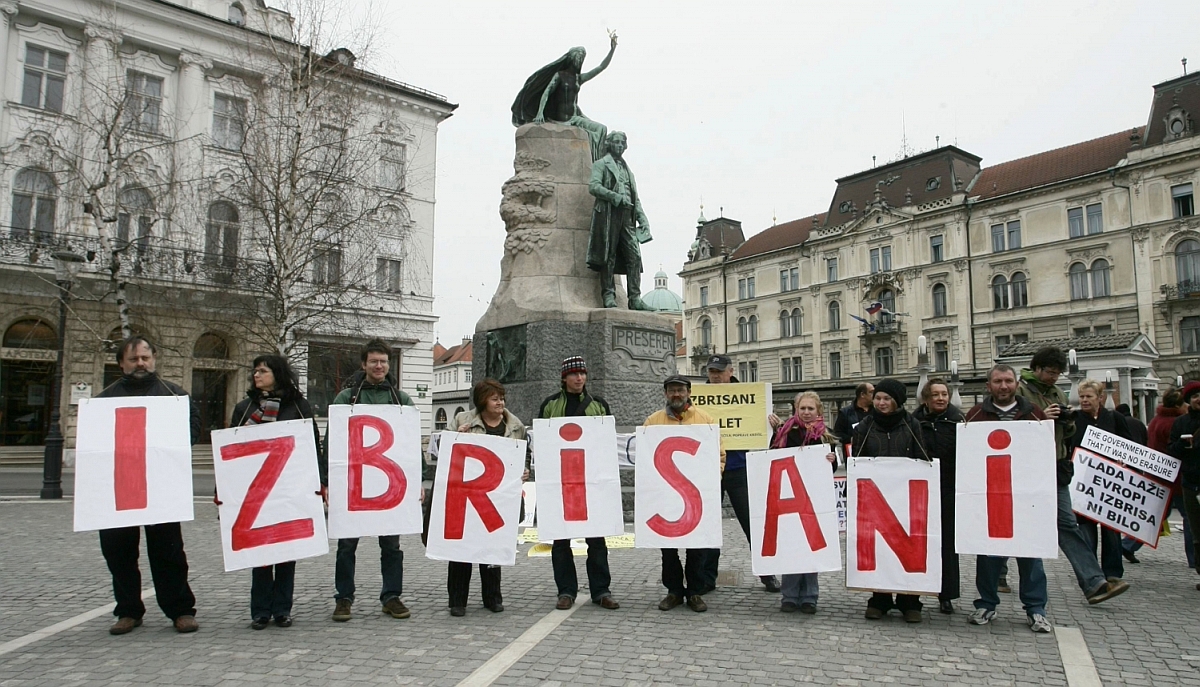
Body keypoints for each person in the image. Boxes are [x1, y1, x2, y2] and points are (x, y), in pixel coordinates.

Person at [96, 336, 200, 635]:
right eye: (133, 359)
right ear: (121, 363)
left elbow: (192, 432)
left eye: (145, 357)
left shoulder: (174, 396)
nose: (140, 363)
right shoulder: (104, 400)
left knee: (169, 551)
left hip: (160, 486)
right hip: (119, 487)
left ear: (154, 359)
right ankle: (128, 610)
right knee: (118, 552)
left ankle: (180, 609)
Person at [1014, 346, 1129, 604]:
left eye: (1057, 373)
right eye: (1050, 372)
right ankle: (1001, 575)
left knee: (1067, 524)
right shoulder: (1019, 391)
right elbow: (1009, 429)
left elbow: (1066, 433)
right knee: (1019, 527)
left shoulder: (1056, 392)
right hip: (1027, 469)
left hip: (1055, 467)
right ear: (1037, 368)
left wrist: (1067, 422)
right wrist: (1042, 417)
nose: (1054, 377)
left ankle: (1094, 583)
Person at [325, 340, 417, 623]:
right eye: (374, 361)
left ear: (389, 365)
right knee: (346, 546)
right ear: (363, 364)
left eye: (384, 362)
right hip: (353, 485)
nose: (379, 366)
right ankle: (344, 597)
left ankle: (391, 596)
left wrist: (417, 481)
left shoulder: (401, 400)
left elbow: (411, 445)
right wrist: (328, 481)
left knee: (391, 546)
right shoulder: (346, 399)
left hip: (390, 486)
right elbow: (332, 442)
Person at [228, 354, 322, 630]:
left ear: (277, 374)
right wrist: (223, 489)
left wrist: (319, 481)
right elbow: (230, 448)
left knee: (285, 551)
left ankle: (282, 608)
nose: (256, 375)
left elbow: (312, 445)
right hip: (256, 490)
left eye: (262, 371)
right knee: (260, 552)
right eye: (255, 371)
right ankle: (260, 611)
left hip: (289, 487)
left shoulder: (298, 407)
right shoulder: (245, 408)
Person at [964, 365, 1053, 633]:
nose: (1003, 386)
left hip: (1025, 497)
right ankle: (986, 604)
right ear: (988, 386)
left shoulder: (1034, 414)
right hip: (990, 498)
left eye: (1008, 381)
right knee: (988, 554)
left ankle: (1036, 609)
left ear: (1016, 384)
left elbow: (1045, 453)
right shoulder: (975, 415)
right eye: (998, 381)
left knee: (1030, 555)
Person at [538, 356, 619, 611]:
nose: (579, 378)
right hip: (561, 482)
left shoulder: (599, 405)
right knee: (561, 540)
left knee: (596, 539)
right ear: (564, 378)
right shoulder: (550, 405)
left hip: (592, 482)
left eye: (582, 373)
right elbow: (542, 443)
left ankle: (601, 590)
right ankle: (566, 591)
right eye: (574, 374)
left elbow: (607, 444)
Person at [446, 379, 529, 616]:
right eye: (494, 399)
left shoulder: (515, 426)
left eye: (502, 398)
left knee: (493, 546)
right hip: (467, 495)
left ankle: (492, 597)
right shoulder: (462, 420)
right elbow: (443, 450)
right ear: (483, 401)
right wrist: (456, 437)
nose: (500, 402)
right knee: (462, 548)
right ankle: (457, 600)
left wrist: (524, 470)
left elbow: (524, 454)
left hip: (498, 497)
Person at [697, 354, 779, 594]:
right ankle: (707, 578)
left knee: (752, 523)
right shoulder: (698, 397)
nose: (715, 375)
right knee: (709, 525)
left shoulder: (750, 397)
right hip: (709, 468)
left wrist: (773, 426)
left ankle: (767, 573)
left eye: (719, 371)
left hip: (738, 468)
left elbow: (762, 431)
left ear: (730, 371)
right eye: (711, 371)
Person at [851, 378, 931, 623]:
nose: (881, 403)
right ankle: (880, 599)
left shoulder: (912, 424)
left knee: (910, 544)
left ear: (897, 401)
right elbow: (857, 461)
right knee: (880, 548)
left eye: (886, 399)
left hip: (906, 497)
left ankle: (910, 601)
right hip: (875, 498)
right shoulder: (864, 427)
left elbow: (922, 458)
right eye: (878, 398)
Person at [644, 375, 724, 613]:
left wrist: (713, 479)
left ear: (689, 392)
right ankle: (674, 591)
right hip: (664, 495)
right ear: (665, 394)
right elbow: (645, 455)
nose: (676, 394)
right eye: (672, 390)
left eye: (680, 390)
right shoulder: (653, 421)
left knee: (696, 547)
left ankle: (695, 592)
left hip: (695, 496)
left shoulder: (705, 420)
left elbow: (719, 454)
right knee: (668, 549)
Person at [770, 391, 838, 614]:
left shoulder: (825, 436)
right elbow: (771, 459)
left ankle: (810, 597)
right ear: (796, 410)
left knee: (811, 547)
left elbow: (831, 469)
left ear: (818, 411)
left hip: (814, 500)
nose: (806, 412)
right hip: (789, 498)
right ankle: (789, 596)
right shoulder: (784, 433)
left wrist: (831, 461)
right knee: (792, 547)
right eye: (803, 408)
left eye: (810, 409)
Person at [510, 35, 617, 161]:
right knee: (598, 130)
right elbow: (547, 92)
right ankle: (595, 161)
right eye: (578, 57)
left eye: (582, 58)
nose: (580, 60)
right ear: (571, 58)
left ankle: (597, 163)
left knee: (601, 129)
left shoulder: (578, 78)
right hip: (563, 118)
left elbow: (601, 67)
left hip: (576, 117)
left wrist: (612, 50)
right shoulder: (559, 75)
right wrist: (540, 113)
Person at [1072, 379, 1132, 582]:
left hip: (1110, 483)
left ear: (1100, 397)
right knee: (1086, 530)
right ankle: (1092, 574)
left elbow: (1129, 445)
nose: (1084, 400)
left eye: (1089, 396)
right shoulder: (1075, 419)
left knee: (1111, 531)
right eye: (1082, 396)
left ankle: (1113, 572)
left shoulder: (1114, 418)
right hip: (1084, 483)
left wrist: (1123, 461)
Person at [914, 378, 964, 614]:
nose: (941, 398)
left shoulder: (958, 421)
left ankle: (947, 594)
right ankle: (913, 593)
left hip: (948, 489)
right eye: (936, 394)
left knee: (947, 544)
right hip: (921, 490)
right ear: (926, 399)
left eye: (944, 394)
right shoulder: (914, 421)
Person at [1124, 389, 1192, 566]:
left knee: (1157, 514)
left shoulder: (1156, 420)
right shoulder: (1174, 423)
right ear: (1177, 405)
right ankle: (1194, 557)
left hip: (1158, 475)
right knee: (1189, 516)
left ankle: (1128, 544)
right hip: (1174, 477)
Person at [587, 131, 653, 310]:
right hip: (609, 214)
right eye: (616, 142)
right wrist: (615, 197)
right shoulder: (601, 164)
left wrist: (643, 219)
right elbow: (593, 187)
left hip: (627, 216)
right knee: (608, 255)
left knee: (635, 256)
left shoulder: (628, 170)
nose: (619, 145)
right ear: (609, 144)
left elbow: (635, 198)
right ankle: (608, 295)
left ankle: (635, 299)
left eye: (622, 143)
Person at [1167, 381, 1200, 590]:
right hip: (1191, 482)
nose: (1199, 399)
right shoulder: (1181, 423)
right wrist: (1181, 444)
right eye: (1195, 396)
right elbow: (1171, 450)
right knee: (1197, 530)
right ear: (1188, 401)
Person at [834, 382, 875, 450]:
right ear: (862, 394)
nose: (874, 395)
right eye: (871, 392)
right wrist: (851, 439)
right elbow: (837, 434)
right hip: (854, 451)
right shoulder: (845, 413)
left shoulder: (877, 411)